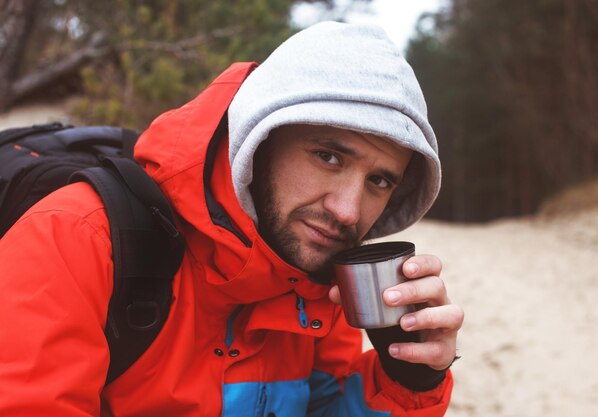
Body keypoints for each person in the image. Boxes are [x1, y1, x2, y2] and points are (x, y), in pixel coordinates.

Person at [0, 22, 463, 416]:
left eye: (379, 182)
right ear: (258, 138)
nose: (347, 210)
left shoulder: (319, 278)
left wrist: (409, 378)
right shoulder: (75, 239)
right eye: (328, 156)